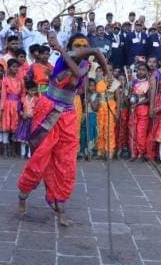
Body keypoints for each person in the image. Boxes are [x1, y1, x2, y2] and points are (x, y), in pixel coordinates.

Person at [17, 33, 109, 226]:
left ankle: (60, 209)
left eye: (85, 45)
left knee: (66, 163)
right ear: (70, 47)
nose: (82, 47)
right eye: (78, 45)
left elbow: (94, 54)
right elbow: (75, 72)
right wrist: (60, 48)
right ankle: (22, 196)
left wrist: (107, 71)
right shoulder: (62, 60)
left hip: (68, 115)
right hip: (48, 112)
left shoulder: (85, 65)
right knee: (40, 158)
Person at [128, 62, 152, 161]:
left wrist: (138, 103)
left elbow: (149, 98)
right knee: (132, 130)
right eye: (139, 69)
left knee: (141, 132)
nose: (141, 71)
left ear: (147, 72)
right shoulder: (133, 82)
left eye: (143, 70)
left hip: (142, 109)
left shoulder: (148, 83)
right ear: (136, 70)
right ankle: (133, 152)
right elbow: (129, 95)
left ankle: (141, 152)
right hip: (133, 109)